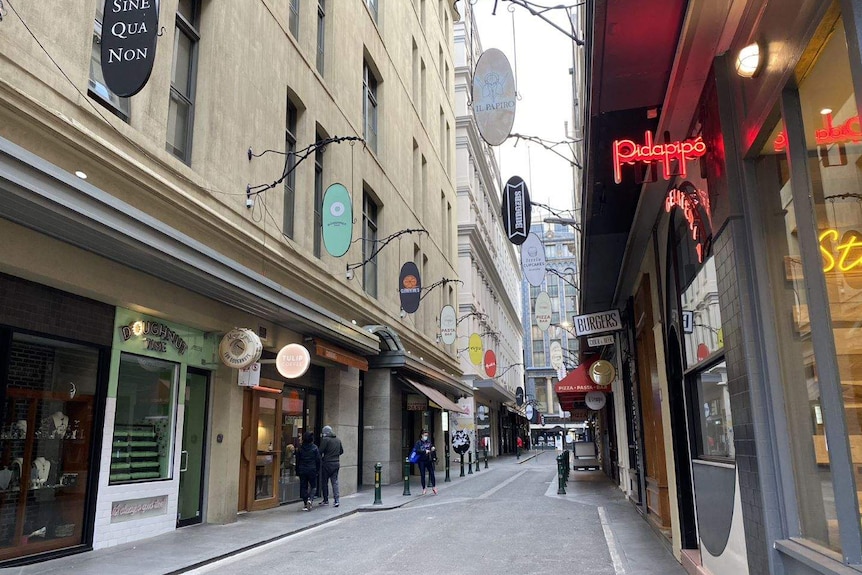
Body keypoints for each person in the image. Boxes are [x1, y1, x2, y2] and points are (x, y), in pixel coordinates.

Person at [318, 425, 344, 507]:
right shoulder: (338, 440)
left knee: (324, 482)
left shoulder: (326, 440)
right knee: (335, 482)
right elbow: (341, 451)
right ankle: (336, 500)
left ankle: (326, 500)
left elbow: (320, 451)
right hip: (336, 463)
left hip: (327, 463)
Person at [295, 431, 320, 511]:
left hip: (302, 469)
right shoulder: (315, 448)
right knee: (313, 486)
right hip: (312, 469)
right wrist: (318, 470)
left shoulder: (300, 448)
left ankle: (305, 503)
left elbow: (297, 460)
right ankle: (311, 499)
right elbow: (318, 460)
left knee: (303, 487)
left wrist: (297, 471)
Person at [412, 430, 437, 495]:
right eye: (425, 435)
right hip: (421, 460)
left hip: (428, 459)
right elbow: (417, 450)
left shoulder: (428, 441)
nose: (426, 437)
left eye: (427, 435)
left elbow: (431, 446)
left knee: (432, 473)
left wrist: (432, 448)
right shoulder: (418, 442)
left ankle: (434, 487)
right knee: (422, 474)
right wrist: (424, 451)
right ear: (421, 435)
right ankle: (424, 488)